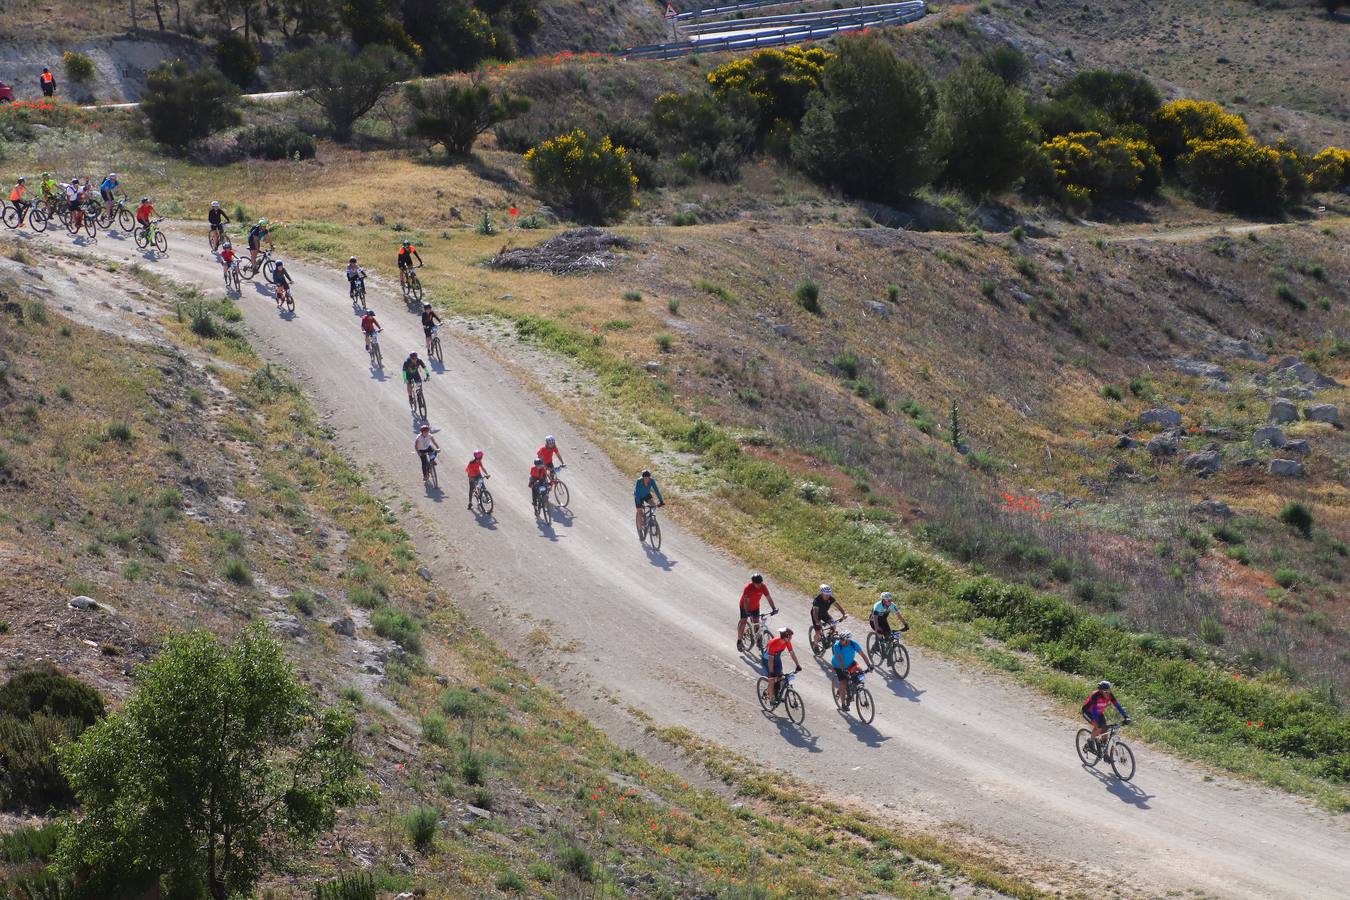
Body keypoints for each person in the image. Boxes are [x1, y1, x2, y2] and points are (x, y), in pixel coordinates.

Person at [1082, 681, 1130, 751]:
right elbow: (1093, 709)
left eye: (1109, 690)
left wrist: (1126, 716)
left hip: (1099, 713)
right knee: (1098, 726)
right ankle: (1090, 741)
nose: (1107, 693)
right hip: (1088, 712)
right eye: (1105, 691)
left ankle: (1103, 750)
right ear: (1100, 691)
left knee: (1105, 731)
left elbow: (1118, 706)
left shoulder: (1110, 695)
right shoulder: (1095, 695)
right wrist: (1097, 722)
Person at [829, 630, 872, 709]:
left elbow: (862, 654)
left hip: (849, 663)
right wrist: (843, 669)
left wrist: (869, 665)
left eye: (842, 640)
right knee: (843, 683)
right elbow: (839, 658)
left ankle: (857, 687)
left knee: (860, 671)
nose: (840, 641)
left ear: (848, 640)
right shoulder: (837, 645)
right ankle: (843, 705)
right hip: (838, 665)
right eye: (840, 639)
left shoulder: (853, 644)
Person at [737, 573, 779, 650]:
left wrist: (774, 608)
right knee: (743, 621)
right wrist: (746, 612)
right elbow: (746, 601)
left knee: (756, 623)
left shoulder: (763, 587)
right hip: (744, 606)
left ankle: (758, 639)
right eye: (757, 584)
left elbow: (768, 598)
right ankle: (739, 640)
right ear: (753, 583)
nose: (759, 585)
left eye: (760, 583)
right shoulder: (748, 588)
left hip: (755, 607)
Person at [763, 627, 801, 706]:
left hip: (776, 658)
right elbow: (770, 660)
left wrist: (797, 665)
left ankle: (776, 693)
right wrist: (771, 672)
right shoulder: (773, 643)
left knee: (781, 677)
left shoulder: (787, 642)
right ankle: (771, 698)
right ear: (785, 637)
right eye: (790, 637)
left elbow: (792, 653)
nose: (791, 638)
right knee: (772, 679)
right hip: (768, 660)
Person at [809, 584, 845, 654]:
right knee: (818, 632)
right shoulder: (817, 600)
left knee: (833, 624)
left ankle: (828, 638)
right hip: (816, 615)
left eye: (829, 594)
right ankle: (815, 645)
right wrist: (817, 622)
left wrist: (844, 614)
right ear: (822, 593)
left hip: (824, 613)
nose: (828, 596)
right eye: (826, 595)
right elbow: (815, 613)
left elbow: (837, 606)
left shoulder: (830, 598)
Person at [633, 468, 664, 536]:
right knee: (639, 512)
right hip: (638, 496)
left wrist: (661, 501)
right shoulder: (639, 481)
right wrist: (639, 505)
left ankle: (650, 518)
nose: (647, 479)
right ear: (643, 477)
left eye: (648, 478)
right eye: (645, 478)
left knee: (653, 505)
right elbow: (637, 494)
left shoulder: (651, 481)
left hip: (646, 494)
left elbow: (656, 491)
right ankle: (640, 530)